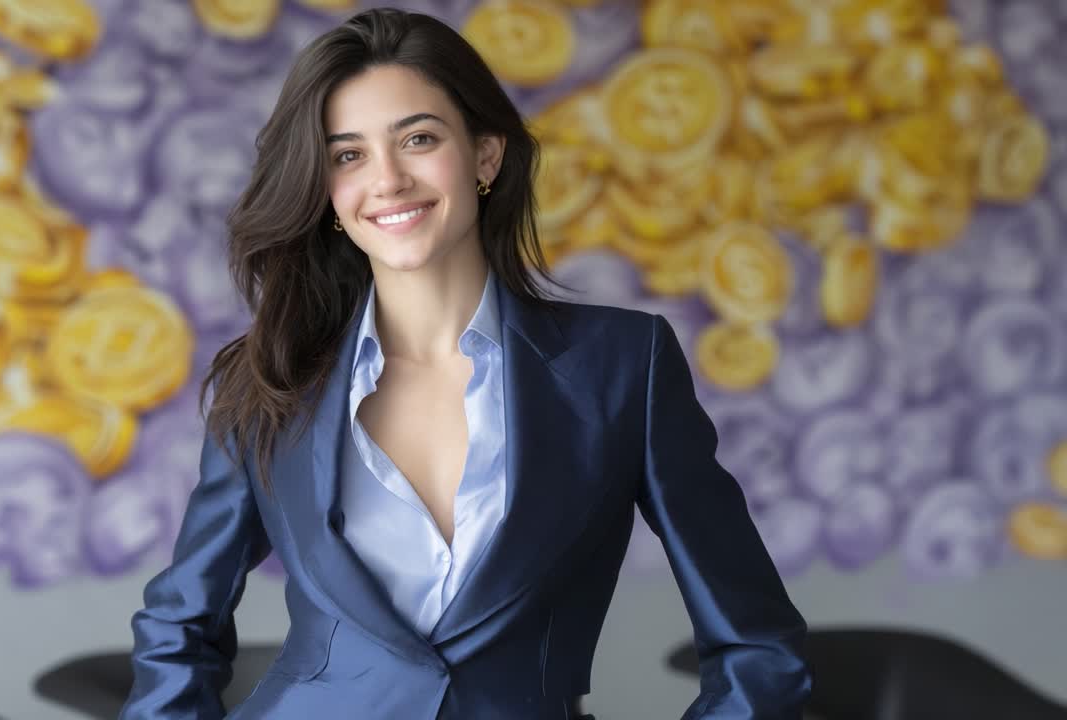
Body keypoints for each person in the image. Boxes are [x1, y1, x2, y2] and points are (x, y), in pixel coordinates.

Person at [121, 8, 811, 719]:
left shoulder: (624, 367)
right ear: (327, 190)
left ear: (486, 155)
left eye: (418, 139)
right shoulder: (268, 379)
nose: (387, 180)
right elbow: (179, 627)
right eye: (348, 155)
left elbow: (757, 643)